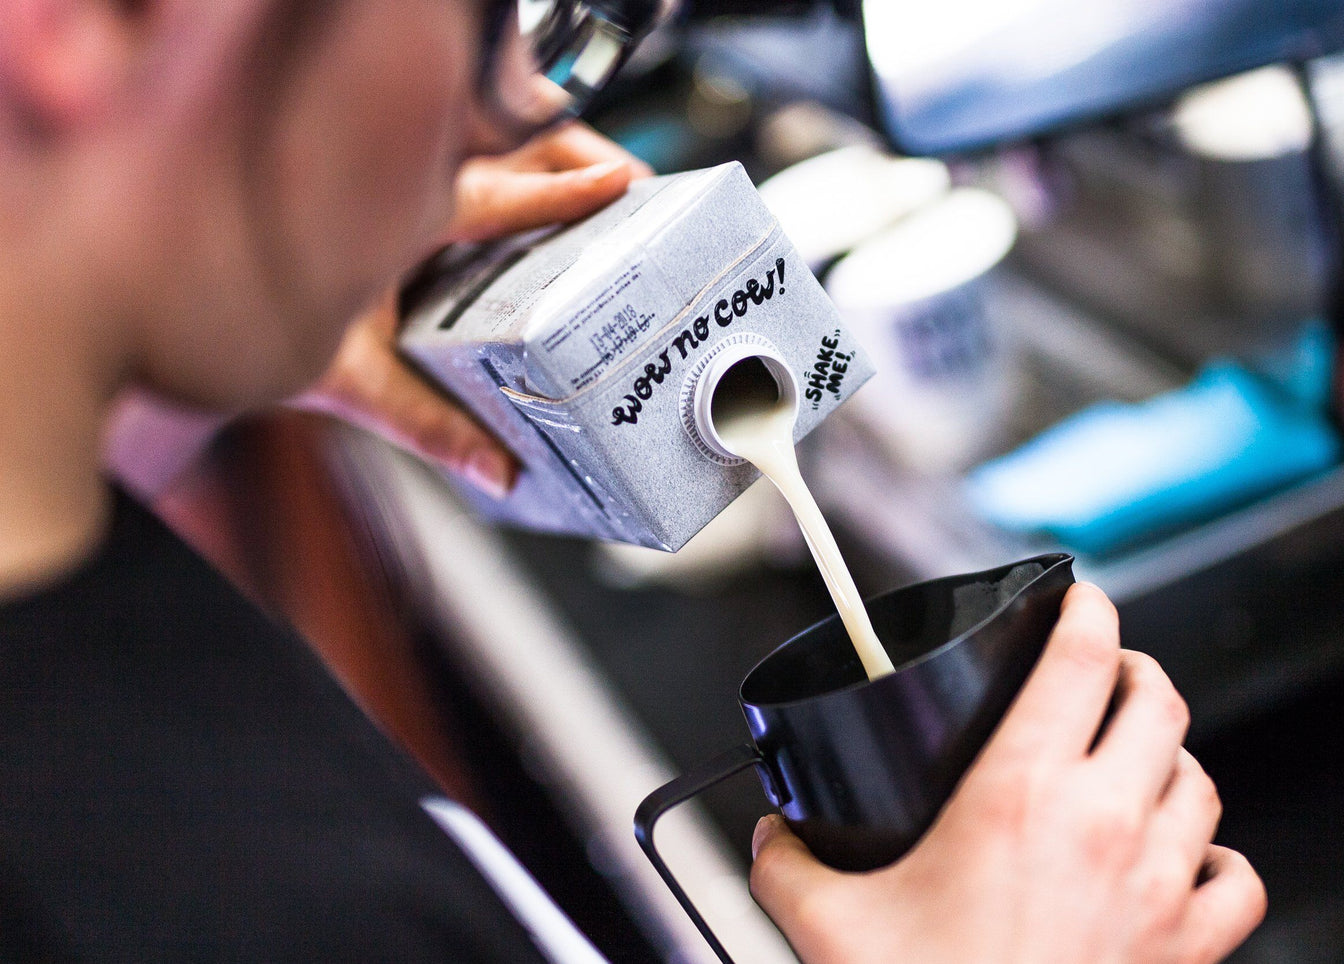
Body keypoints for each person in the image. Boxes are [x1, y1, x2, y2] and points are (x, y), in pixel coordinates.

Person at [0, 1, 1265, 961]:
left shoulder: (91, 620)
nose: (512, 101)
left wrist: (250, 272)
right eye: (480, 13)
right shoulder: (204, 898)